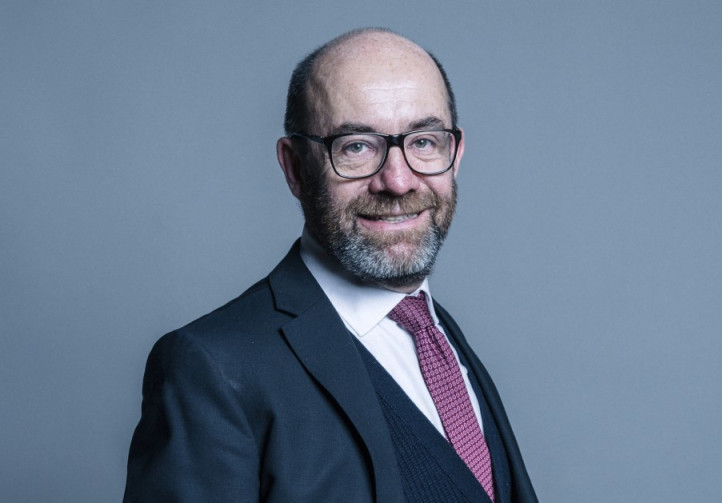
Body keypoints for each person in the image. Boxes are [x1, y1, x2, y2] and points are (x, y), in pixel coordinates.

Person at [124, 28, 538, 503]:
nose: (398, 181)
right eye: (356, 147)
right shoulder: (214, 367)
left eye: (424, 141)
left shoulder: (438, 335)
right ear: (296, 168)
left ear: (455, 154)